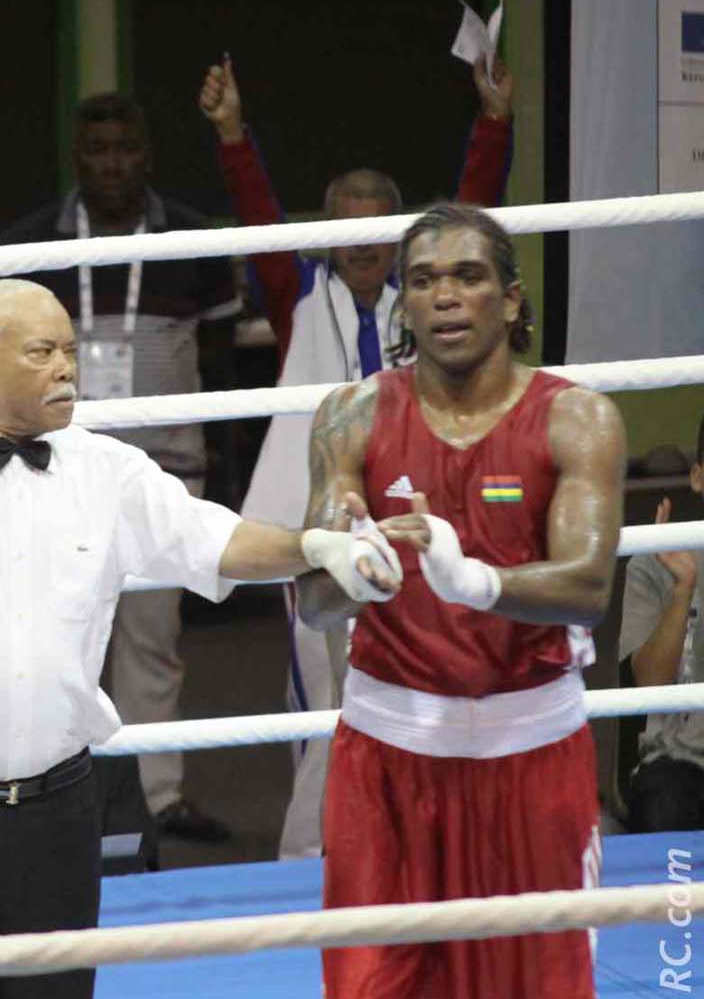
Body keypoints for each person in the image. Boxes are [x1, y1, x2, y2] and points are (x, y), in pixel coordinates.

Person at [0, 137, 400, 998]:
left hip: (59, 813)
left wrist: (316, 544)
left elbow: (214, 538)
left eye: (68, 348)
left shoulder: (109, 471)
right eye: (39, 351)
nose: (65, 365)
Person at [296, 203, 624, 999]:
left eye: (469, 277)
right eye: (424, 280)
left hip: (531, 753)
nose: (445, 296)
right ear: (402, 303)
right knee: (371, 986)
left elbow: (586, 587)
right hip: (388, 753)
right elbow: (311, 600)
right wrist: (353, 565)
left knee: (536, 987)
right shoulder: (353, 414)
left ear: (511, 299)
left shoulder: (577, 417)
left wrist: (477, 581)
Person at [198, 54, 515, 859]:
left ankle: (408, 844)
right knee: (319, 694)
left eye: (381, 225)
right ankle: (309, 858)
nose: (365, 242)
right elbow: (261, 218)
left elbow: (473, 218)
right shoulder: (296, 290)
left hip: (412, 514)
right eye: (349, 224)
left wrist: (493, 124)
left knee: (418, 678)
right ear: (329, 230)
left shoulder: (427, 297)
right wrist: (233, 135)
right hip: (317, 517)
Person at [0, 92, 242, 844]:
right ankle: (42, 790)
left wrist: (217, 470)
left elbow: (222, 363)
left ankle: (158, 796)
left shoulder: (194, 241)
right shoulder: (31, 242)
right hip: (50, 470)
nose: (112, 163)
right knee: (48, 633)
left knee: (151, 641)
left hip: (163, 470)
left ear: (148, 154)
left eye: (124, 148)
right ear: (78, 157)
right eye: (97, 149)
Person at [619, 425, 704, 831]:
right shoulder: (655, 562)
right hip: (679, 766)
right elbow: (650, 683)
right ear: (698, 478)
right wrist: (683, 590)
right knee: (665, 801)